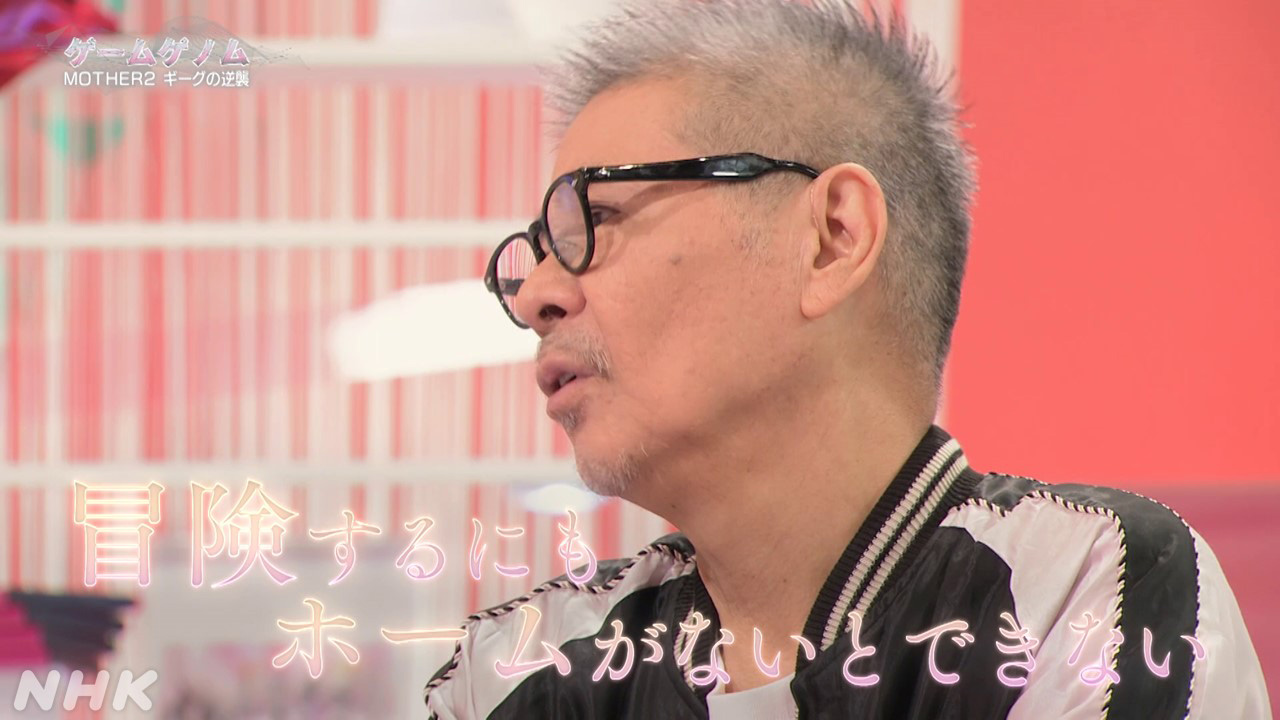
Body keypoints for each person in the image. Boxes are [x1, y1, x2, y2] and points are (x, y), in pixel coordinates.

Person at [425, 0, 1272, 717]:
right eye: (536, 252)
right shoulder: (516, 669)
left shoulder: (1078, 587)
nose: (537, 295)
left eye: (596, 220)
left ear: (833, 239)